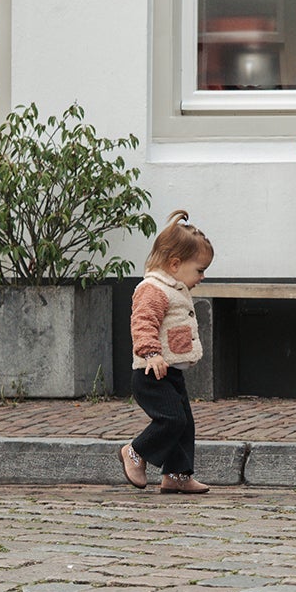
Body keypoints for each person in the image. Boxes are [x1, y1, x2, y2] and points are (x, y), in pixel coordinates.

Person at [121, 210, 215, 494]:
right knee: (172, 420)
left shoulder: (173, 287)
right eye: (199, 270)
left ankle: (177, 475)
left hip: (170, 372)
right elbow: (143, 322)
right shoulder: (152, 289)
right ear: (175, 264)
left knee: (185, 425)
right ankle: (135, 452)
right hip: (151, 373)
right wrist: (151, 353)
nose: (202, 276)